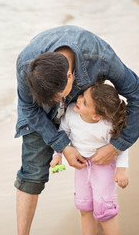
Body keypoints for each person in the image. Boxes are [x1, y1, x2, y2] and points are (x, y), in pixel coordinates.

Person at [14, 25, 139, 235]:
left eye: (58, 98)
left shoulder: (100, 56)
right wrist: (63, 147)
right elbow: (29, 109)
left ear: (70, 76)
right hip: (37, 112)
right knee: (31, 173)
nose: (56, 104)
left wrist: (116, 147)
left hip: (83, 106)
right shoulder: (25, 64)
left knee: (97, 183)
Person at [50, 82, 129, 235]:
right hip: (82, 167)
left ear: (97, 116)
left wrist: (121, 170)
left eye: (84, 102)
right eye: (81, 95)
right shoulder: (71, 114)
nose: (78, 100)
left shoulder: (107, 126)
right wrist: (58, 154)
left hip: (104, 167)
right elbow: (63, 133)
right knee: (84, 207)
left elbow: (121, 147)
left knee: (105, 212)